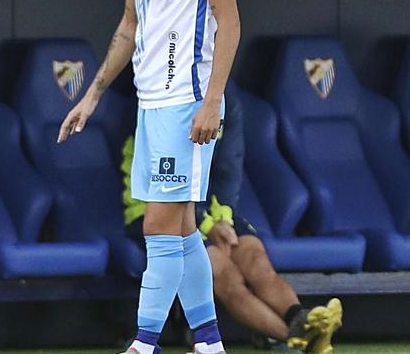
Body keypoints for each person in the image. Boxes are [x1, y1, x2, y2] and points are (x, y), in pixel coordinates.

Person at [58, 0, 240, 354]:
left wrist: (211, 100)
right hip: (151, 103)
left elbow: (229, 23)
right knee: (181, 232)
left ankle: (144, 344)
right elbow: (129, 26)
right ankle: (209, 345)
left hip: (188, 102)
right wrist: (91, 95)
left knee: (158, 229)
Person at [122, 91, 344, 353]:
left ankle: (300, 319)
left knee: (255, 259)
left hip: (206, 207)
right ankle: (296, 338)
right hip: (154, 207)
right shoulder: (163, 100)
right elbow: (166, 185)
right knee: (225, 274)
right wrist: (207, 226)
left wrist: (223, 221)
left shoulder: (228, 104)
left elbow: (228, 169)